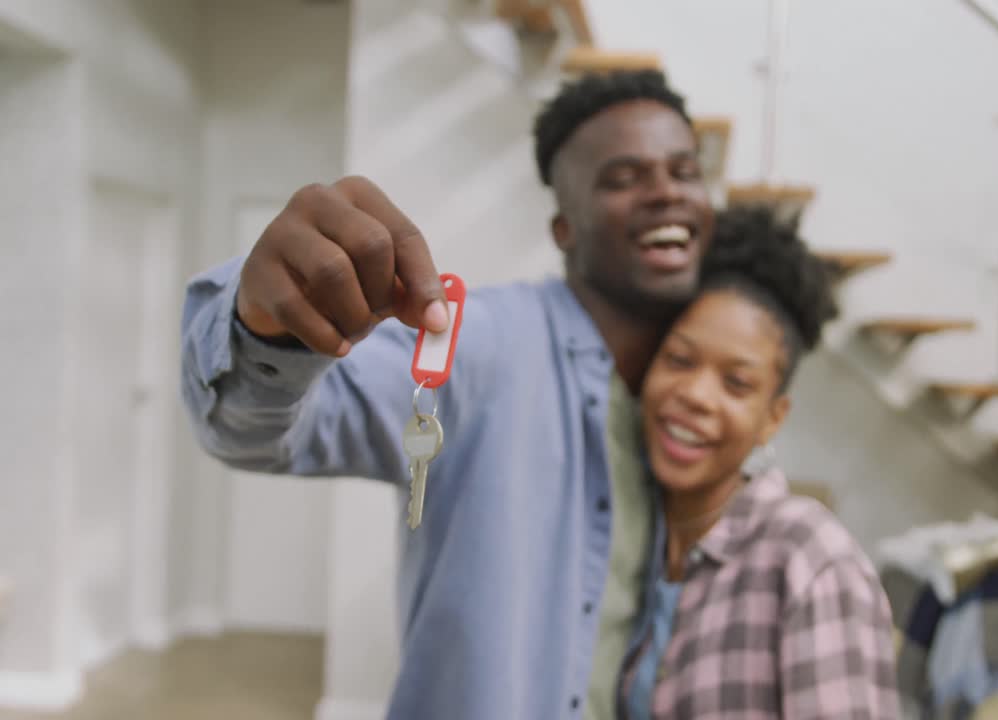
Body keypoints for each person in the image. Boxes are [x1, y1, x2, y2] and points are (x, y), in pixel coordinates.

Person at [179, 70, 715, 719]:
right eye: (623, 178)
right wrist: (265, 330)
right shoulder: (480, 344)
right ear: (563, 229)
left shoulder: (707, 386)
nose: (666, 193)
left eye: (684, 171)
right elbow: (261, 434)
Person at [619, 205, 901, 719]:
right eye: (680, 360)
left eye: (737, 384)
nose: (697, 395)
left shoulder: (810, 561)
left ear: (772, 417)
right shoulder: (629, 541)